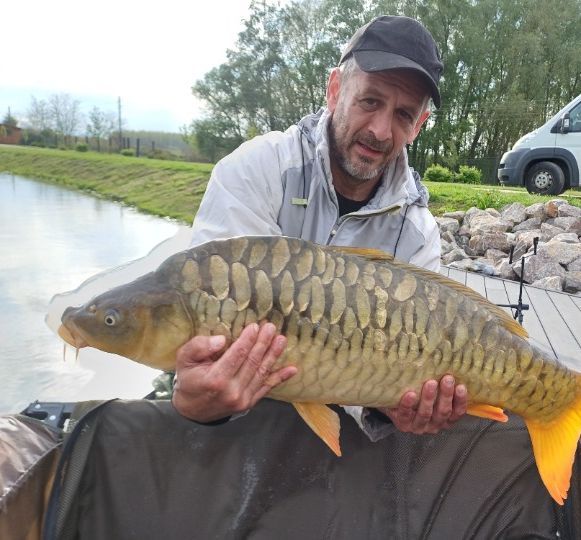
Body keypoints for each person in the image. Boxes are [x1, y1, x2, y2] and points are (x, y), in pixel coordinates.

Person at [172, 15, 469, 441]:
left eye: (403, 114)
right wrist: (199, 405)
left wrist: (396, 411)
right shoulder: (259, 170)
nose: (380, 130)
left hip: (342, 434)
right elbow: (209, 331)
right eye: (370, 101)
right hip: (238, 426)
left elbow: (397, 378)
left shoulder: (417, 234)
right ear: (335, 90)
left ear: (417, 127)